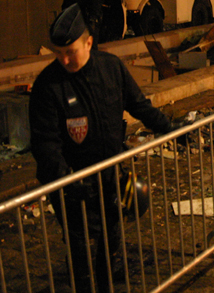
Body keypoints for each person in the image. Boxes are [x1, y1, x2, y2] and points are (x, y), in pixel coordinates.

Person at [29, 4, 175, 291]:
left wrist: (171, 128)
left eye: (71, 51)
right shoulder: (48, 85)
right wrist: (66, 181)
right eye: (59, 54)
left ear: (89, 42)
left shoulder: (111, 68)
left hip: (109, 175)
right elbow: (45, 143)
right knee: (81, 250)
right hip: (72, 184)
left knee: (110, 242)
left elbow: (138, 105)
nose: (65, 60)